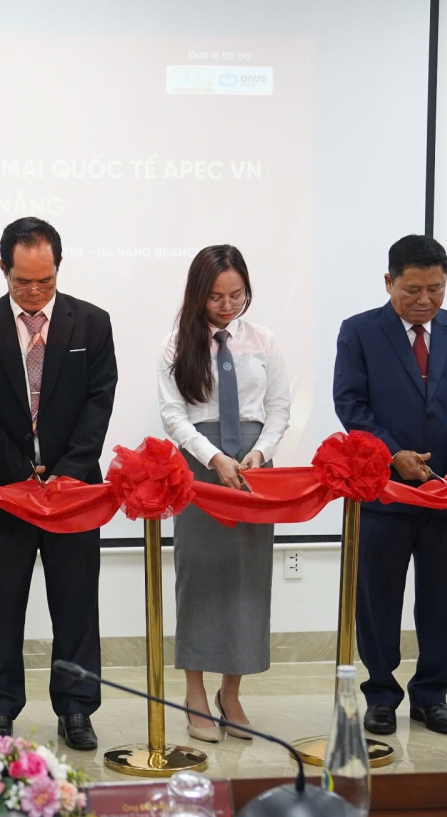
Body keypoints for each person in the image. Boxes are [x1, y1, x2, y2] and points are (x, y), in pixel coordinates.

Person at [0, 217, 118, 751]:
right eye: (22, 281)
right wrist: (22, 472)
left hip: (74, 493)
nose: (34, 291)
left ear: (58, 268)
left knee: (76, 605)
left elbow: (99, 401)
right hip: (7, 493)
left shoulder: (91, 323)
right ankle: (0, 709)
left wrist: (68, 471)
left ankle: (77, 708)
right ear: (3, 268)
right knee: (1, 609)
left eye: (45, 281)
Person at [333, 234, 447, 737]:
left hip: (446, 493)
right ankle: (380, 695)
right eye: (413, 289)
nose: (425, 300)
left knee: (443, 599)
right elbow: (350, 403)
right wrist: (391, 453)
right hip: (384, 493)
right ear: (389, 282)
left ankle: (432, 696)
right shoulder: (359, 331)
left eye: (435, 289)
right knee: (377, 600)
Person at [157, 245, 290, 743]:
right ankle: (194, 694)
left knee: (245, 581)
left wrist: (261, 452)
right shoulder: (177, 344)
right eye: (216, 297)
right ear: (198, 294)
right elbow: (173, 415)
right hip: (200, 466)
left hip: (254, 469)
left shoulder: (264, 340)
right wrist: (213, 457)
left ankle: (231, 693)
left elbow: (278, 407)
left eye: (236, 295)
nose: (227, 305)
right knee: (199, 578)